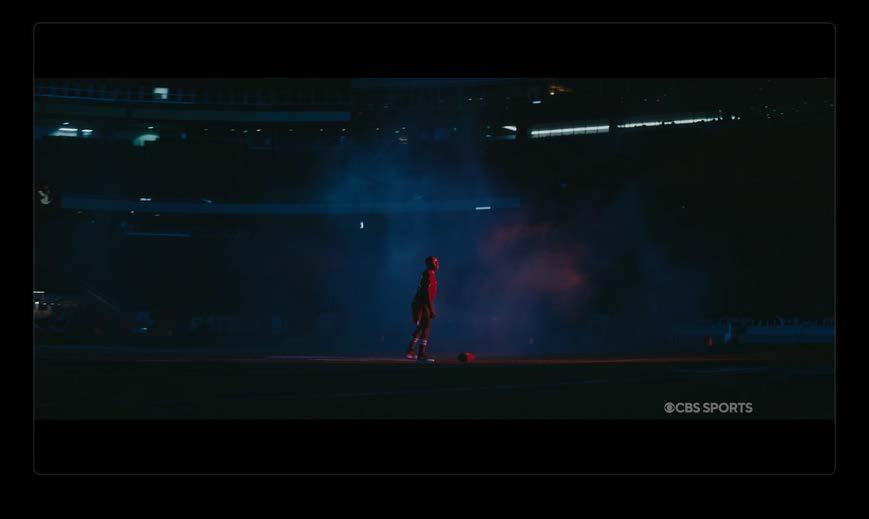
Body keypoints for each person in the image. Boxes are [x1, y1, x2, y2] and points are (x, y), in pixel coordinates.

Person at [405, 256, 439, 362]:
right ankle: (421, 354)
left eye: (437, 262)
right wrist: (431, 309)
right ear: (429, 264)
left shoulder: (430, 274)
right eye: (435, 262)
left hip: (421, 303)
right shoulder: (428, 274)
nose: (437, 264)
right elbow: (426, 293)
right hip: (422, 304)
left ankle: (410, 351)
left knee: (421, 327)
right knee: (426, 327)